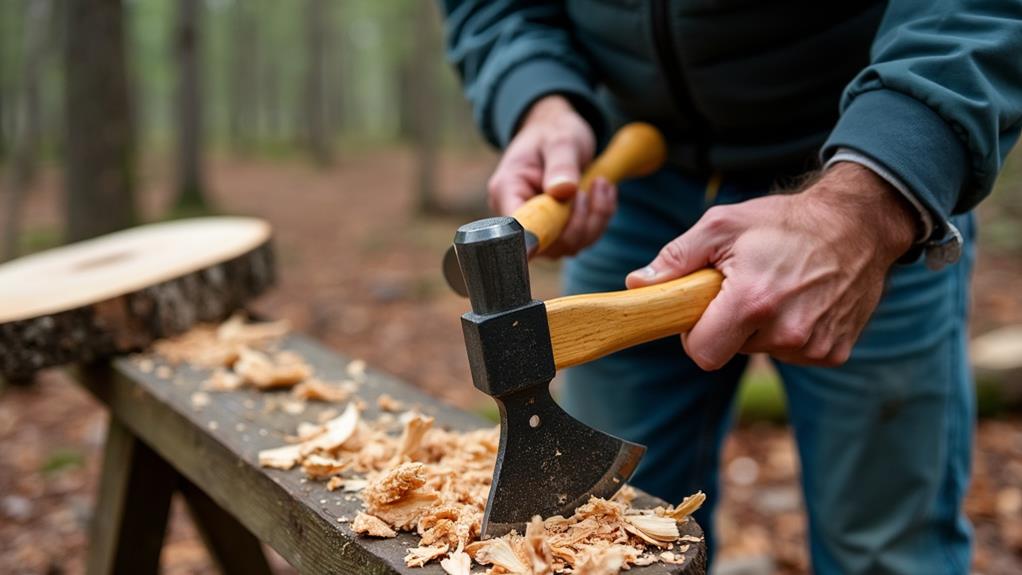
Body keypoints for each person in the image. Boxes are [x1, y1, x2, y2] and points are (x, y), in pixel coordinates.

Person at [438, 2, 1022, 573]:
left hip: (860, 170)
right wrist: (538, 93)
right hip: (638, 183)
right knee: (606, 538)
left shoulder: (872, 192)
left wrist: (877, 197)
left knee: (885, 549)